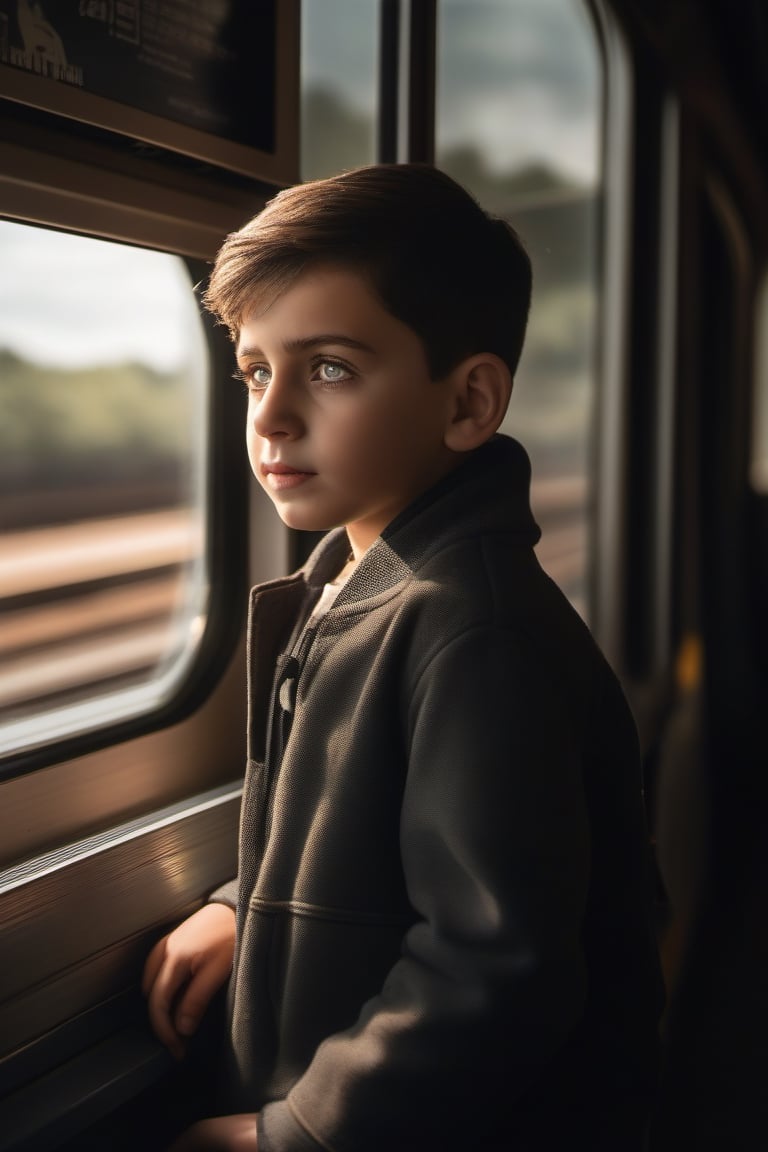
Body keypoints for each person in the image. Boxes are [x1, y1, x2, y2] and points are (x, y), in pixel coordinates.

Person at [142, 163, 664, 1151]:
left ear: (469, 402)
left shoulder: (476, 634)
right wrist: (240, 907)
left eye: (329, 367)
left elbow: (494, 970)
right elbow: (346, 823)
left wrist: (290, 1134)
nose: (271, 415)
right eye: (256, 369)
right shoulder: (355, 580)